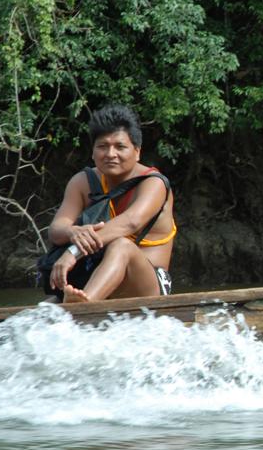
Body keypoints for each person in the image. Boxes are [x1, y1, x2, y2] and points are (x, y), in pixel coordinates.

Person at [48, 104, 176, 303]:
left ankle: (84, 306)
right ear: (92, 152)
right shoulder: (82, 182)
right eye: (102, 146)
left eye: (120, 146)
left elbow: (130, 223)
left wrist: (73, 252)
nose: (110, 154)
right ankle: (77, 300)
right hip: (96, 272)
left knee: (121, 246)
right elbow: (57, 229)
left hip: (149, 282)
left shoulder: (154, 183)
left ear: (137, 151)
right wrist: (73, 232)